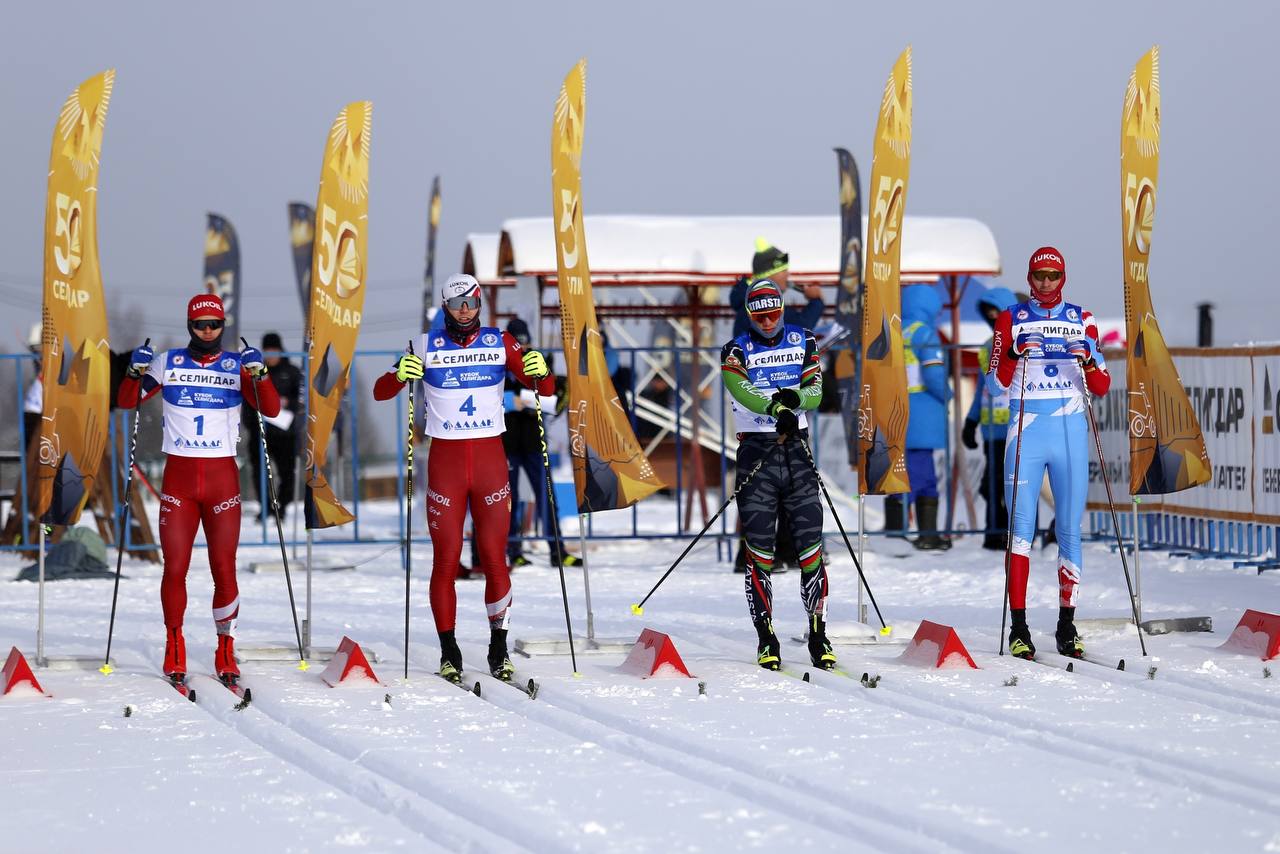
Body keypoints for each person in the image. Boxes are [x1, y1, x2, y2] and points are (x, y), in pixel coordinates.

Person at [373, 274, 555, 682]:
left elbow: (543, 387)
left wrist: (541, 369)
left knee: (494, 557)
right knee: (446, 560)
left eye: (471, 303)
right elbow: (380, 392)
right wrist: (399, 375)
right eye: (457, 305)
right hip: (446, 467)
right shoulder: (424, 345)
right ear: (446, 307)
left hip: (490, 463)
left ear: (479, 304)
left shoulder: (500, 341)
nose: (465, 311)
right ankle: (449, 650)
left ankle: (499, 649)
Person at [117, 294, 280, 688]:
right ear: (189, 325)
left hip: (222, 480)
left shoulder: (235, 365)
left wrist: (260, 375)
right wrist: (133, 373)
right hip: (180, 480)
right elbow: (126, 402)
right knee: (175, 566)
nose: (207, 331)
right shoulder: (168, 362)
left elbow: (271, 409)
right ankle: (175, 644)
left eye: (214, 324)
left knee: (224, 567)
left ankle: (225, 647)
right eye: (199, 325)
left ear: (223, 325)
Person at [986, 247, 1110, 660]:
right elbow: (993, 384)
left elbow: (1103, 384)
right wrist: (1012, 354)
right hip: (1026, 431)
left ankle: (1066, 626)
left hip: (1070, 432)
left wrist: (1088, 360)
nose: (1045, 282)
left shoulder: (1082, 319)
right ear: (1029, 277)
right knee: (1021, 530)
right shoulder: (1011, 318)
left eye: (1053, 275)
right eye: (1039, 275)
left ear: (1063, 277)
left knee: (1069, 529)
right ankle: (1019, 628)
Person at [720, 279, 833, 671]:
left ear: (782, 309)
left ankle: (818, 635)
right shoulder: (735, 349)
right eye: (759, 317)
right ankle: (766, 638)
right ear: (749, 315)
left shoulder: (804, 340)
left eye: (773, 314)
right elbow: (740, 389)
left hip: (797, 452)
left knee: (810, 547)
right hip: (757, 453)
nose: (767, 322)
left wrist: (796, 399)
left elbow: (815, 390)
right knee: (760, 551)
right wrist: (775, 408)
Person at [729, 239, 822, 572]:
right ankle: (755, 553)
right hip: (759, 418)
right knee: (758, 491)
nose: (788, 278)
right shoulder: (756, 306)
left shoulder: (751, 300)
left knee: (782, 488)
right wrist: (817, 302)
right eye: (783, 272)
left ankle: (785, 550)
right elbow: (797, 324)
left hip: (783, 414)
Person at [501, 317, 580, 570]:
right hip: (508, 443)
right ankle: (513, 550)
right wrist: (511, 400)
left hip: (535, 440)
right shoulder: (498, 362)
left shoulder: (538, 359)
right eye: (518, 344)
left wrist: (553, 395)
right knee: (510, 500)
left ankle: (558, 550)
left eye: (525, 343)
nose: (522, 349)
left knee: (547, 496)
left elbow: (552, 392)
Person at [886, 285, 952, 550]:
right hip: (922, 415)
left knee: (898, 474)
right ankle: (926, 535)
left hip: (894, 411)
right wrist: (947, 395)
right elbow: (934, 375)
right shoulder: (924, 333)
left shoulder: (892, 332)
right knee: (923, 477)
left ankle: (896, 530)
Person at [963, 286, 1017, 550]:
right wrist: (971, 421)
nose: (993, 317)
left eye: (997, 312)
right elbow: (981, 389)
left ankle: (1016, 532)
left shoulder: (1020, 342)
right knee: (992, 483)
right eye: (989, 313)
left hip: (1015, 426)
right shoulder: (987, 346)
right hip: (991, 430)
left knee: (1015, 484)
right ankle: (994, 532)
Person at [243, 332, 303, 513]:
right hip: (260, 431)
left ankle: (282, 507)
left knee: (287, 472)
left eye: (274, 351)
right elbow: (248, 399)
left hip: (285, 433)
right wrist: (251, 425)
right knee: (259, 472)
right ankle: (265, 507)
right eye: (267, 352)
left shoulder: (292, 372)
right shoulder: (254, 371)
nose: (271, 356)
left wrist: (287, 403)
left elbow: (301, 399)